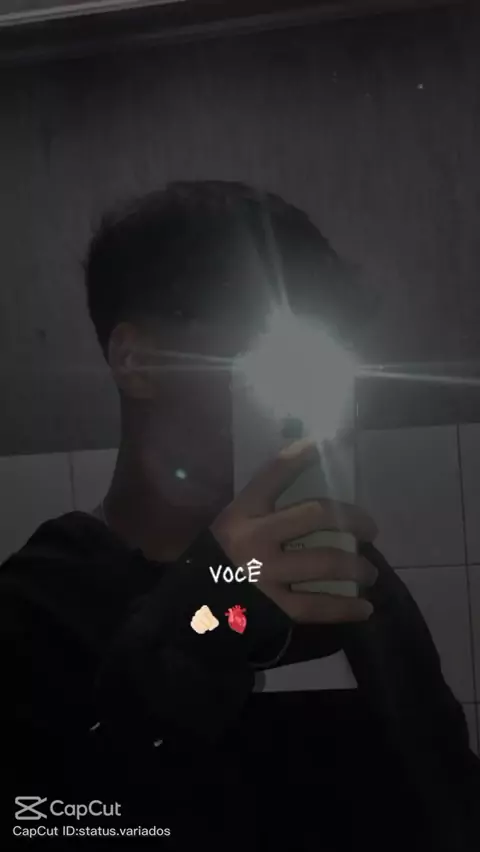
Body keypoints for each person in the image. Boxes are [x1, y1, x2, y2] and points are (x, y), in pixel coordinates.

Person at [1, 181, 479, 851]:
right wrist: (199, 627)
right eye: (266, 352)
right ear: (137, 361)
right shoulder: (38, 607)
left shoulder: (348, 577)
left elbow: (451, 796)